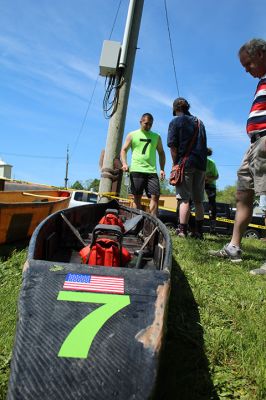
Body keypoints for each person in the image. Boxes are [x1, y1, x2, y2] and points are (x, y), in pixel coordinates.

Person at [210, 38, 266, 273]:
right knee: (243, 194)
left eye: (248, 64)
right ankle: (234, 246)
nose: (246, 70)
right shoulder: (261, 81)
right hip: (253, 144)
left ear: (261, 55)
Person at [167, 97, 207, 238]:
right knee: (198, 200)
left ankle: (182, 230)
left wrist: (175, 164)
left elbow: (173, 146)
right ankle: (199, 232)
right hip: (201, 165)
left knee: (184, 199)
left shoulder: (175, 122)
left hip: (186, 164)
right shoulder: (200, 123)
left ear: (176, 109)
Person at [120, 113, 166, 216]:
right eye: (146, 124)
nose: (148, 126)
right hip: (136, 170)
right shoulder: (132, 135)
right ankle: (136, 223)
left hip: (151, 171)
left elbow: (161, 153)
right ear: (140, 122)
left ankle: (153, 223)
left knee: (155, 196)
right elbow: (123, 150)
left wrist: (162, 169)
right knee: (137, 197)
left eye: (150, 124)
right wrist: (124, 163)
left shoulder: (156, 136)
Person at [205, 148, 219, 233]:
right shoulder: (196, 161)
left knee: (212, 202)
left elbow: (217, 176)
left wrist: (208, 178)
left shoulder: (211, 163)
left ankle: (212, 227)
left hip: (210, 184)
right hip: (198, 183)